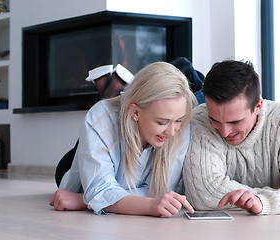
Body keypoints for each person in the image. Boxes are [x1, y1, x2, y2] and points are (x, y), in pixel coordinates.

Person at [183, 59, 280, 215]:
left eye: (235, 121)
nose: (225, 132)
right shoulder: (200, 118)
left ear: (258, 106)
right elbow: (204, 192)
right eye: (215, 120)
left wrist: (262, 201)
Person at [51, 62, 196, 217]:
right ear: (135, 112)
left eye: (178, 120)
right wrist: (149, 205)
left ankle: (113, 87)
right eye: (162, 122)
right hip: (83, 168)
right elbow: (99, 189)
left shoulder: (181, 127)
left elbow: (160, 191)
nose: (172, 132)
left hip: (118, 167)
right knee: (65, 169)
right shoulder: (100, 119)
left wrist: (85, 201)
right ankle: (112, 89)